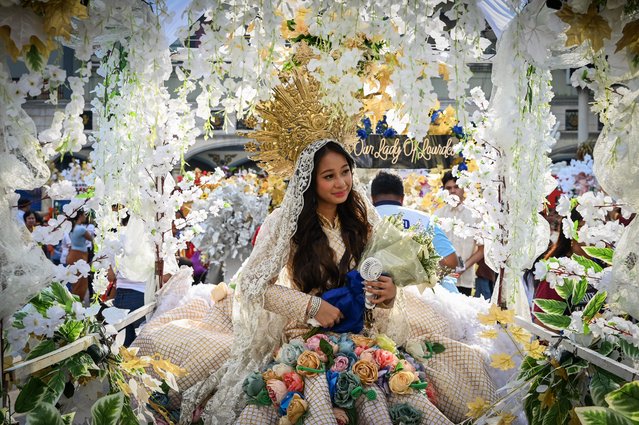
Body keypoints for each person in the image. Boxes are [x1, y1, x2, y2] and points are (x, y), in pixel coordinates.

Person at [180, 140, 496, 424]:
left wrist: (387, 292)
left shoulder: (362, 218)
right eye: (329, 176)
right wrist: (311, 306)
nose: (341, 182)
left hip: (364, 336)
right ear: (309, 181)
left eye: (345, 172)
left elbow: (380, 278)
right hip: (306, 339)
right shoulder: (286, 222)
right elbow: (252, 284)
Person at [370, 171, 459, 271]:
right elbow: (451, 261)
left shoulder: (360, 218)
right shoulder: (424, 220)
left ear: (372, 198)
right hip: (412, 285)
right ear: (402, 198)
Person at [434, 172, 486, 297]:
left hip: (464, 280)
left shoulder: (475, 215)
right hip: (441, 279)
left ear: (463, 189)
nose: (453, 191)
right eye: (448, 188)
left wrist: (464, 267)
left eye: (456, 187)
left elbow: (482, 248)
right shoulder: (438, 215)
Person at [108, 213, 155, 347]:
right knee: (140, 347)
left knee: (122, 347)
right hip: (143, 296)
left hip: (121, 296)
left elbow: (110, 276)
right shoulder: (148, 239)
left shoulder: (115, 239)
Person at [66, 209, 93, 301]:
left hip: (72, 254)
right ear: (80, 216)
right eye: (84, 215)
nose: (86, 217)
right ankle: (76, 304)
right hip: (79, 256)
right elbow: (91, 238)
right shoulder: (81, 229)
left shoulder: (72, 227)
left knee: (75, 283)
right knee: (81, 283)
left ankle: (74, 304)